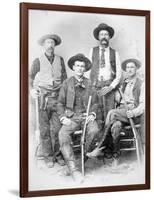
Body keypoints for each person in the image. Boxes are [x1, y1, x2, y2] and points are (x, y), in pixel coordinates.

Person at [87, 58, 145, 166]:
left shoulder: (142, 84)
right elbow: (118, 100)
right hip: (121, 113)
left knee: (112, 113)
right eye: (127, 68)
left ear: (136, 69)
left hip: (133, 114)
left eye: (132, 67)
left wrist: (133, 112)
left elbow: (144, 105)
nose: (129, 70)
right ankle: (116, 157)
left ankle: (101, 147)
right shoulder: (123, 84)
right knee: (115, 126)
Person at [57, 53, 99, 183]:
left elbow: (96, 103)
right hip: (72, 117)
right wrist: (63, 117)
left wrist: (92, 114)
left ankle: (78, 163)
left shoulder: (90, 83)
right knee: (62, 134)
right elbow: (59, 103)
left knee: (94, 130)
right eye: (78, 66)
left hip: (86, 116)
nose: (80, 68)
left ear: (85, 69)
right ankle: (75, 170)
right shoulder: (66, 83)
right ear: (73, 68)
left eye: (82, 66)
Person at [29, 34, 67, 168]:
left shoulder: (60, 60)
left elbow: (65, 80)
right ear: (44, 45)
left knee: (57, 129)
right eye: (47, 43)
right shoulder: (37, 61)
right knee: (44, 130)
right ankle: (48, 157)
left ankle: (58, 155)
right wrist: (31, 90)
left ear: (55, 45)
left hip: (57, 99)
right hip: (43, 99)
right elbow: (30, 79)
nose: (50, 45)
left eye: (52, 43)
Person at [89, 23, 122, 121]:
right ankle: (98, 136)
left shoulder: (114, 53)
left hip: (109, 88)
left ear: (109, 37)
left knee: (109, 114)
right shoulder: (92, 51)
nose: (104, 37)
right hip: (95, 87)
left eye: (106, 34)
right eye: (101, 34)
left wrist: (111, 87)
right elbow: (88, 70)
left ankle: (108, 136)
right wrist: (90, 86)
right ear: (98, 37)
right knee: (97, 113)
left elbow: (119, 73)